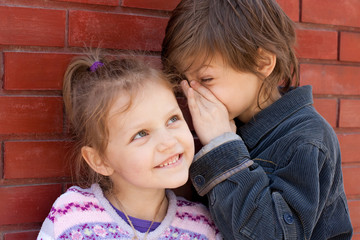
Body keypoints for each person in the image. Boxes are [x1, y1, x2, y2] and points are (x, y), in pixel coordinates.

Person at [161, 0, 353, 239]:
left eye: (207, 79)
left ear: (262, 62)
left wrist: (223, 146)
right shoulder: (232, 120)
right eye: (185, 81)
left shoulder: (307, 140)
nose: (194, 94)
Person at [37, 52, 221, 240]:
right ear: (100, 160)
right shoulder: (72, 215)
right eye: (141, 133)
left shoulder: (201, 227)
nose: (169, 141)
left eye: (172, 119)